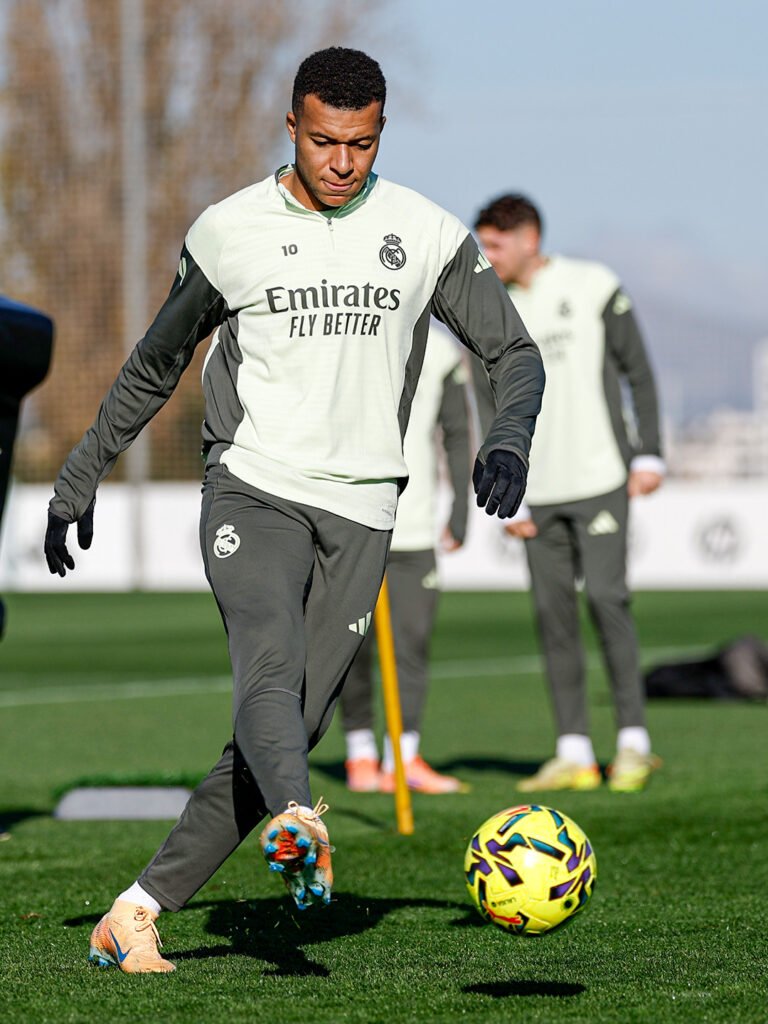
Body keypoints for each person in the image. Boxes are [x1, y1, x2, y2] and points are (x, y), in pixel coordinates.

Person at [44, 50, 544, 973]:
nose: (342, 162)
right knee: (269, 662)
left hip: (364, 508)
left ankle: (135, 909)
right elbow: (156, 362)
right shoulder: (228, 230)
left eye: (361, 144)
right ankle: (298, 821)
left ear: (380, 133)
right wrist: (83, 470)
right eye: (323, 141)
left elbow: (514, 353)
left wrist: (508, 438)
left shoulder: (425, 233)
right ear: (292, 128)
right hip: (254, 484)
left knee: (290, 726)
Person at [472, 193, 663, 796]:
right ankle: (574, 752)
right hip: (535, 492)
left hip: (602, 478)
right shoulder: (490, 308)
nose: (487, 256)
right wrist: (506, 491)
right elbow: (486, 401)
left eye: (495, 244)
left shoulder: (593, 284)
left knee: (607, 600)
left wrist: (649, 452)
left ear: (529, 238)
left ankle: (633, 744)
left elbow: (638, 371)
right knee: (553, 616)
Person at [341, 323, 471, 795]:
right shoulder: (347, 330)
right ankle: (360, 754)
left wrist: (460, 508)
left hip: (414, 530)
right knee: (350, 645)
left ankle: (404, 757)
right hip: (349, 523)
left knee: (411, 642)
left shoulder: (441, 350)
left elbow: (458, 432)